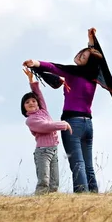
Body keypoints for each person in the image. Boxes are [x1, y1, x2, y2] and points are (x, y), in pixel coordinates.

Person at [22, 28, 112, 193]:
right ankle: (93, 195)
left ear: (88, 62)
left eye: (83, 57)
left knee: (77, 164)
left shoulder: (73, 73)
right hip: (88, 125)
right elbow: (100, 60)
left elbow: (54, 67)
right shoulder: (94, 78)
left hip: (72, 124)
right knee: (88, 164)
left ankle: (82, 196)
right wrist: (91, 41)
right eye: (81, 53)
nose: (79, 56)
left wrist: (35, 63)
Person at [21, 67, 73, 195]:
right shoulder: (30, 120)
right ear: (24, 107)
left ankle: (51, 205)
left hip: (53, 150)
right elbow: (46, 126)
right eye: (27, 102)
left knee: (54, 183)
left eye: (33, 101)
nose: (31, 103)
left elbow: (38, 94)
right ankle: (39, 202)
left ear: (38, 103)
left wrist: (31, 79)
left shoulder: (43, 111)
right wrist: (64, 124)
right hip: (42, 152)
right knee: (44, 181)